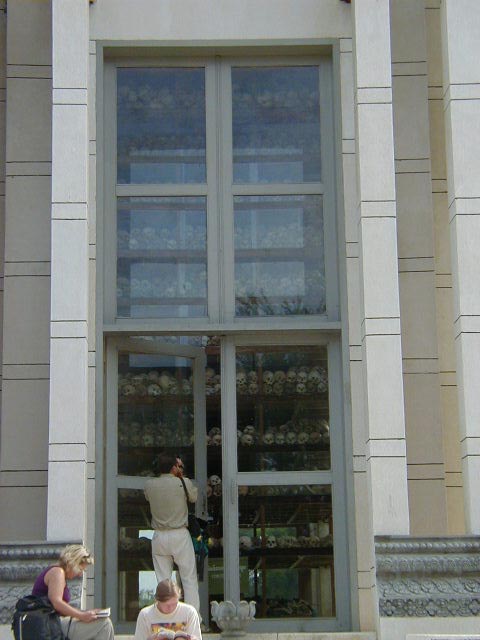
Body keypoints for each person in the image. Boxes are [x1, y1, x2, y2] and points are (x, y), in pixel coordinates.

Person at [144, 452, 200, 613]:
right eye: (178, 465)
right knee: (188, 578)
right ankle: (193, 617)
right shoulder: (183, 482)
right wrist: (181, 476)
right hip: (179, 533)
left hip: (159, 535)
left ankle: (165, 615)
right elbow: (194, 498)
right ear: (174, 467)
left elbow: (148, 497)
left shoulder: (149, 484)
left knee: (163, 581)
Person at [31, 543, 114, 640]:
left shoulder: (57, 572)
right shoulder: (57, 572)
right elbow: (56, 602)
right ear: (73, 562)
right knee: (104, 624)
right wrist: (82, 615)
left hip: (54, 622)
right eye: (80, 569)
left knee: (104, 623)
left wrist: (87, 613)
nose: (80, 574)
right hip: (51, 623)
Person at [134, 579, 201, 640]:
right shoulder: (145, 614)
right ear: (157, 600)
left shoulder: (189, 612)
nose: (171, 608)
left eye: (175, 604)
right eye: (167, 605)